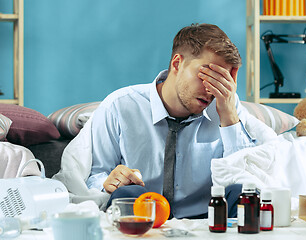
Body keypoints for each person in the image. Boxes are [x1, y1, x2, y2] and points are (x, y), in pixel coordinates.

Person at [85, 23, 277, 219]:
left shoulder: (225, 104)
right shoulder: (119, 106)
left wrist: (228, 115)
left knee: (245, 193)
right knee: (127, 195)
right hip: (145, 217)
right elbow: (96, 176)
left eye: (220, 80)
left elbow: (244, 175)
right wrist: (110, 182)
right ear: (177, 63)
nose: (211, 90)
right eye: (206, 75)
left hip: (210, 218)